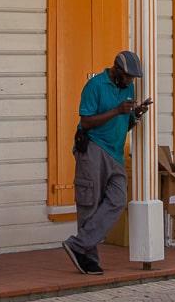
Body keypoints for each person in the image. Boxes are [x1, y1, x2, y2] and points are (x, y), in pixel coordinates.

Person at [62, 50, 150, 275]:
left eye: (133, 78)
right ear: (117, 70)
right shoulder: (95, 86)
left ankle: (78, 244)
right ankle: (88, 259)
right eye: (128, 77)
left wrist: (136, 113)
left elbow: (125, 121)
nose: (131, 82)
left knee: (118, 200)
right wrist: (117, 110)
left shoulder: (127, 88)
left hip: (115, 152)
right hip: (92, 148)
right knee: (89, 203)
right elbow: (87, 121)